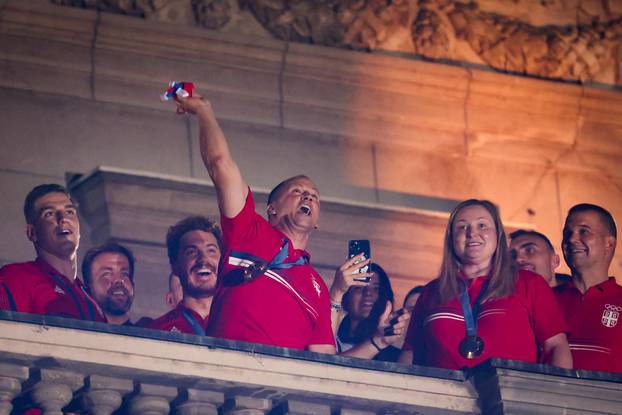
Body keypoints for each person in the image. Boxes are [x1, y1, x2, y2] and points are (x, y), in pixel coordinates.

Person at [173, 92, 335, 352]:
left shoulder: (317, 286)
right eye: (296, 191)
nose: (307, 196)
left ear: (316, 222)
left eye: (314, 196)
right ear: (271, 208)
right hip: (230, 377)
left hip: (283, 387)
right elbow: (221, 164)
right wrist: (204, 110)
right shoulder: (249, 231)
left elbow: (323, 356)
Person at [399, 199, 571, 370]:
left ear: (498, 235)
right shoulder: (431, 291)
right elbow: (410, 355)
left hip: (513, 394)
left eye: (482, 225)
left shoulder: (530, 283)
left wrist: (558, 394)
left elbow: (556, 347)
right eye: (462, 226)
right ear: (451, 238)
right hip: (442, 394)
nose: (472, 233)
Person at [0, 184, 105, 322]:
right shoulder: (16, 278)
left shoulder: (90, 299)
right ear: (32, 232)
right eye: (49, 213)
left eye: (69, 212)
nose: (63, 219)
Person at [555, 203, 622, 373]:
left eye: (583, 231)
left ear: (609, 244)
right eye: (567, 234)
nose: (571, 239)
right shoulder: (546, 300)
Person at [145, 216, 221, 334]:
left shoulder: (245, 324)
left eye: (211, 250)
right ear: (175, 266)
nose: (204, 259)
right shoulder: (156, 332)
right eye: (191, 252)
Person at [332, 262, 409, 361]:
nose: (368, 293)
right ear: (345, 296)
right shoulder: (330, 341)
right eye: (359, 288)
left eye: (376, 288)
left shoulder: (394, 357)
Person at [82, 242, 136, 326]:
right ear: (88, 287)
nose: (119, 280)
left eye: (125, 274)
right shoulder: (77, 334)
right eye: (107, 274)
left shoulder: (150, 333)